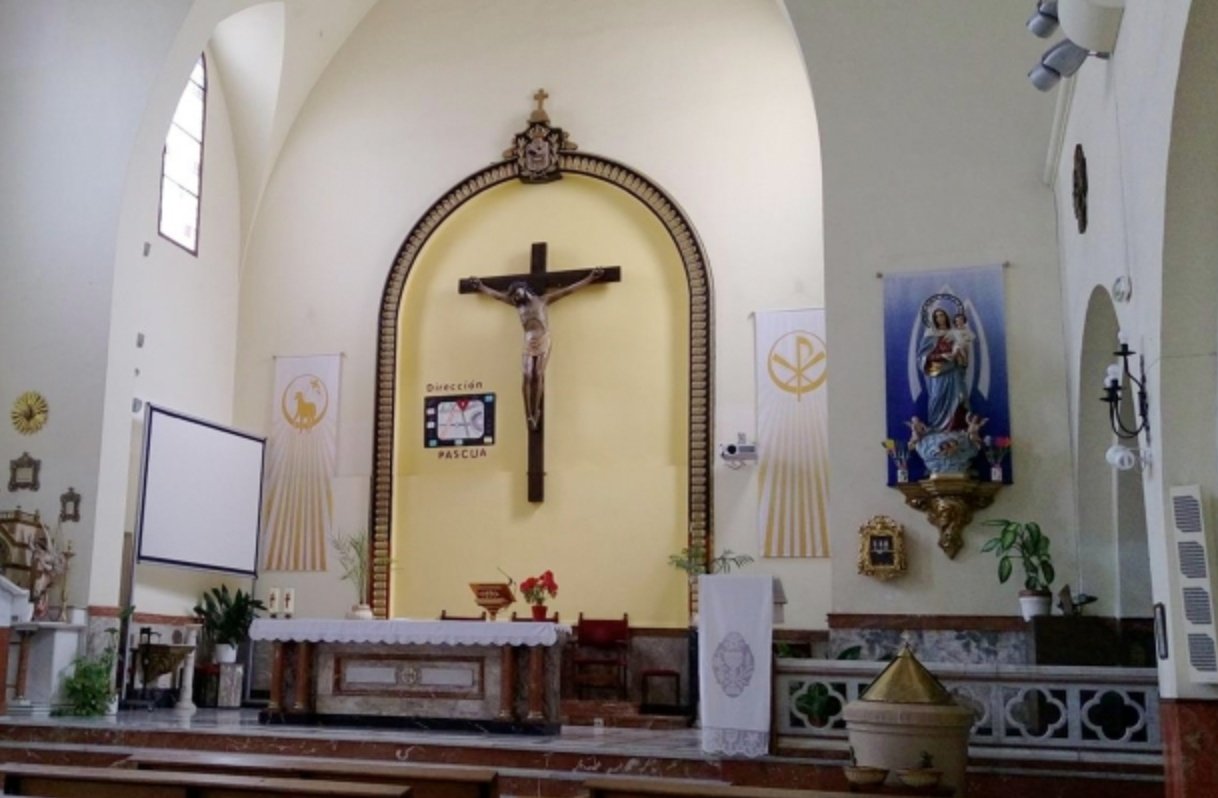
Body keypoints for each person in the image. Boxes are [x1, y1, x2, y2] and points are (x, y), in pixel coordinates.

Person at [468, 267, 604, 430]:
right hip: (528, 340)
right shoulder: (517, 305)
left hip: (542, 339)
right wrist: (481, 287)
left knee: (537, 374)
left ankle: (536, 410)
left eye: (517, 292)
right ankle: (529, 414)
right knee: (526, 375)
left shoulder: (543, 300)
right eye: (514, 296)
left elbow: (568, 290)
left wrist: (589, 278)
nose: (516, 297)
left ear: (525, 289)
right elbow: (497, 296)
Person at [917, 307, 969, 432]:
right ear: (934, 319)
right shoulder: (930, 335)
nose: (940, 318)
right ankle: (936, 427)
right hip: (938, 373)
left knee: (959, 397)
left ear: (946, 317)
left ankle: (956, 429)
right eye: (937, 316)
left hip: (954, 370)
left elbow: (963, 352)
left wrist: (959, 354)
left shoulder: (955, 333)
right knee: (937, 397)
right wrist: (941, 356)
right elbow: (922, 357)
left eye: (942, 315)